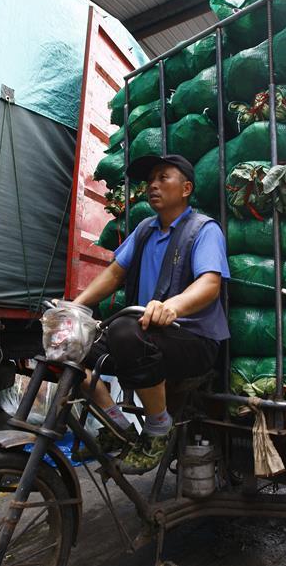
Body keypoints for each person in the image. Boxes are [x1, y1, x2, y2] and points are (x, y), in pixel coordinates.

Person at [71, 154, 230, 474]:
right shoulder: (144, 229)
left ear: (186, 188)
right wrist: (75, 308)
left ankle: (158, 430)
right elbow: (115, 273)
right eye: (150, 180)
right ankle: (117, 426)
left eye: (162, 178)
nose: (153, 185)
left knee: (125, 332)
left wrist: (173, 306)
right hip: (145, 333)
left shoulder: (204, 229)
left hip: (194, 339)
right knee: (70, 348)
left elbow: (210, 283)